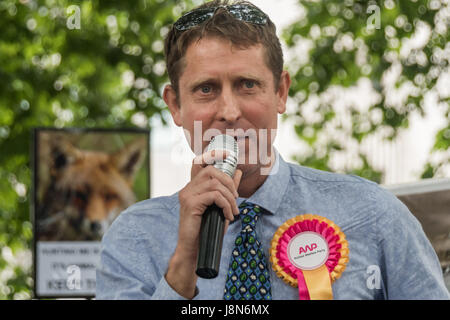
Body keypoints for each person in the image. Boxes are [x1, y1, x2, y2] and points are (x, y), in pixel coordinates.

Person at [96, 0, 449, 300]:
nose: (230, 112)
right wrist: (183, 262)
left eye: (247, 85)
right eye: (206, 89)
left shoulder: (374, 214)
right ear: (175, 106)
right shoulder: (134, 238)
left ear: (280, 92)